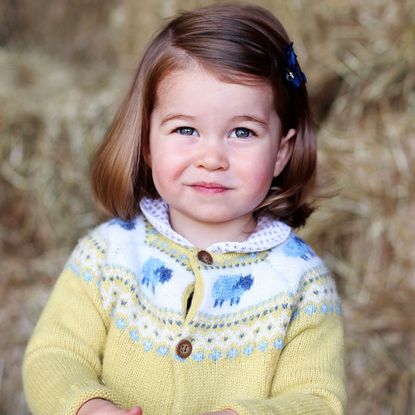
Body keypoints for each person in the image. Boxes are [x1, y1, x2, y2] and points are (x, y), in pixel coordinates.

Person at [23, 4, 346, 415]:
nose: (211, 158)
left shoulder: (301, 282)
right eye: (185, 129)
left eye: (242, 131)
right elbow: (54, 355)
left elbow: (318, 399)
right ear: (147, 143)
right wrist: (89, 406)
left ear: (281, 152)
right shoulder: (107, 255)